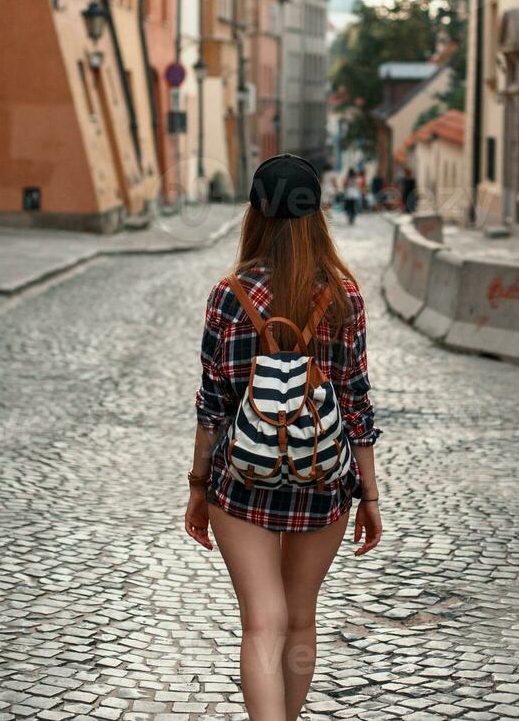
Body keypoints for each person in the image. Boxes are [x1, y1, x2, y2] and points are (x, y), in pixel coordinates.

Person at [185, 153, 383, 721]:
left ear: (254, 215)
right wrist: (368, 496)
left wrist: (199, 486)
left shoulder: (229, 295)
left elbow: (214, 406)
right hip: (323, 480)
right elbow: (355, 400)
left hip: (242, 480)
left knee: (261, 622)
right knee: (299, 617)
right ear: (317, 216)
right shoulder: (343, 296)